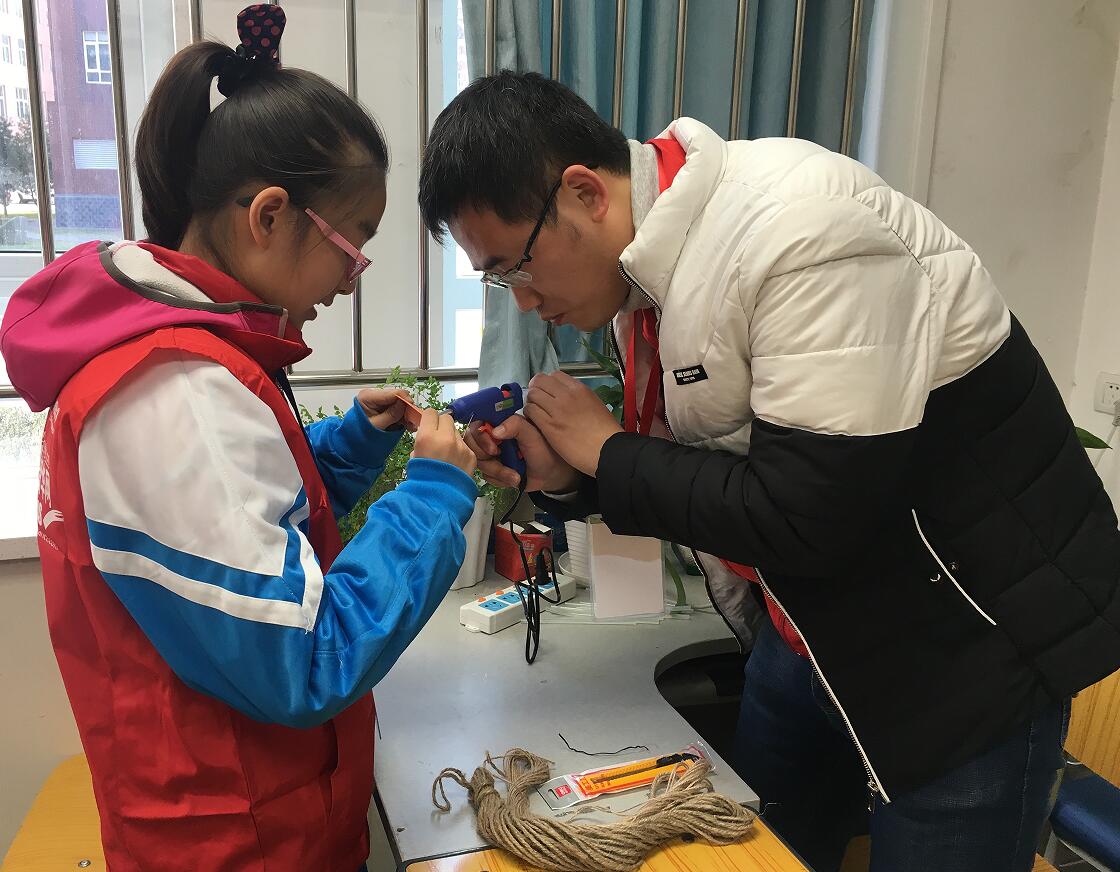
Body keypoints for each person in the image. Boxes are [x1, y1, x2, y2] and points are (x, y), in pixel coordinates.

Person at [418, 70, 1120, 872]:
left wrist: (606, 449)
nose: (521, 301)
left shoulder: (803, 234)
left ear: (584, 194)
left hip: (959, 663)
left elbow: (806, 517)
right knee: (755, 854)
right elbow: (716, 472)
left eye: (514, 268)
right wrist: (569, 476)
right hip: (807, 632)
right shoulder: (648, 275)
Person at [0, 7, 477, 871]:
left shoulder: (187, 362)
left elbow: (241, 522)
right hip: (238, 846)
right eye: (354, 246)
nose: (350, 283)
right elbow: (304, 658)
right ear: (268, 216)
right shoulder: (171, 392)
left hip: (258, 821)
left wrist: (349, 448)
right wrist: (433, 499)